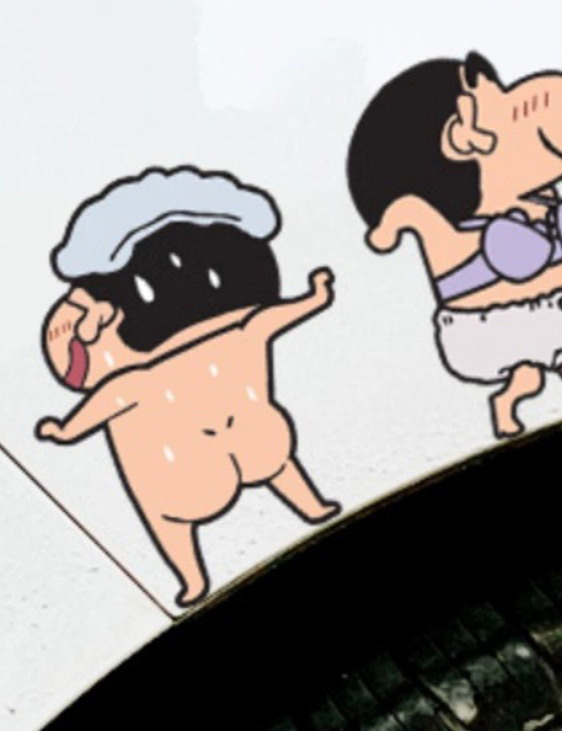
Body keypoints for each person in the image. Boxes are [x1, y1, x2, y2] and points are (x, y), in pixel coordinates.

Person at [36, 167, 338, 606]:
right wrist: (315, 297)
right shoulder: (239, 331)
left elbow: (105, 400)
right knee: (277, 466)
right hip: (252, 435)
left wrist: (64, 430)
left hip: (182, 471)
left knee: (173, 520)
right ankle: (307, 508)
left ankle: (193, 577)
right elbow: (270, 319)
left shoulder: (137, 376)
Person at [347, 51, 562, 438]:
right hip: (490, 328)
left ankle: (540, 389)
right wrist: (386, 230)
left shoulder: (538, 195)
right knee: (529, 376)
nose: (519, 100)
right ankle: (507, 402)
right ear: (458, 137)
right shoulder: (441, 230)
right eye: (499, 102)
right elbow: (401, 214)